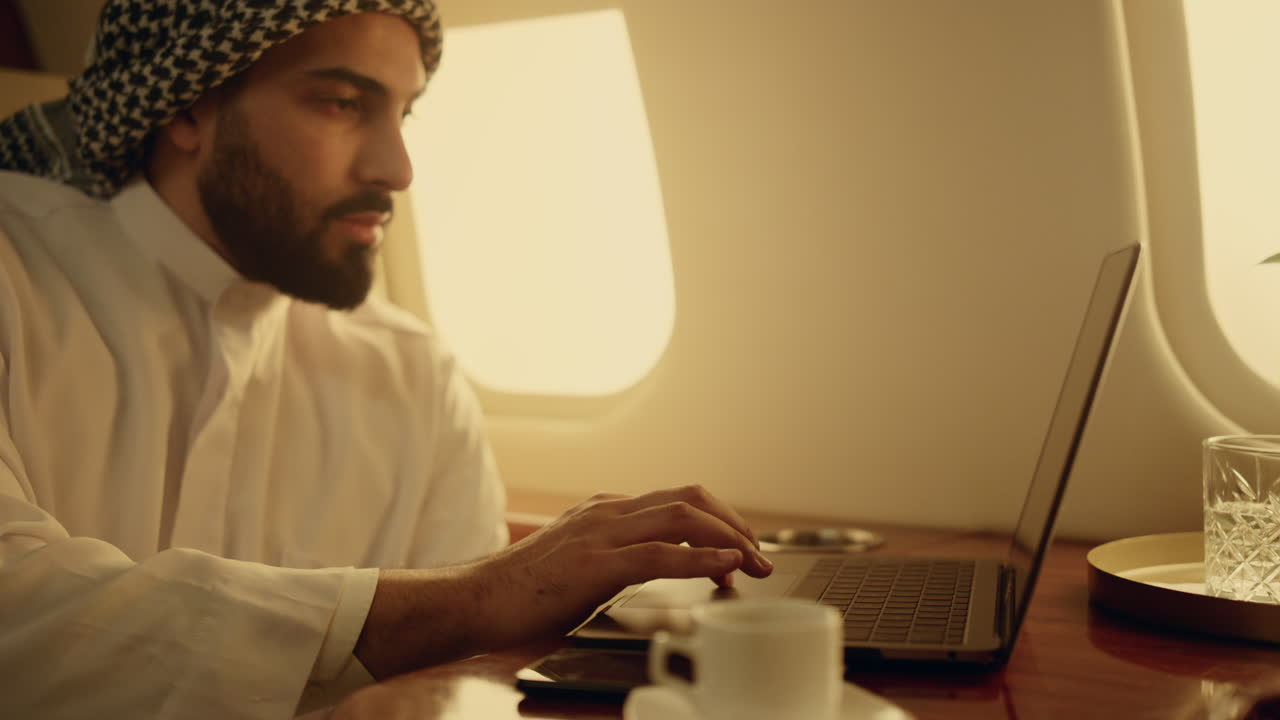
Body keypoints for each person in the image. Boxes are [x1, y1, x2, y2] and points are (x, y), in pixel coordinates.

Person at [0, 2, 773, 718]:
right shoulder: (15, 276)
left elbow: (464, 678)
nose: (397, 168)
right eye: (342, 103)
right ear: (187, 104)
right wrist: (482, 592)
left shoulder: (412, 376)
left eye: (403, 112)